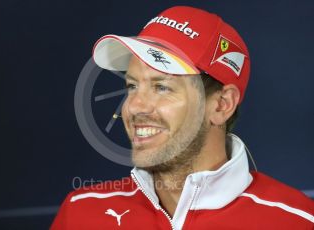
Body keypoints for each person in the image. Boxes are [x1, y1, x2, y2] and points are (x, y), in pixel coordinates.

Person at [51, 6, 314, 229]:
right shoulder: (81, 213)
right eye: (132, 86)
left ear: (222, 105)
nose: (133, 107)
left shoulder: (297, 221)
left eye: (161, 87)